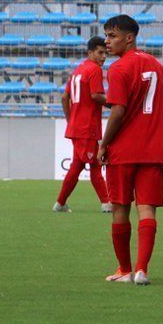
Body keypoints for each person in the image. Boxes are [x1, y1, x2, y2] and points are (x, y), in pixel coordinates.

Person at [98, 15, 163, 285]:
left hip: (123, 151)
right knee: (147, 210)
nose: (107, 41)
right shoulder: (156, 65)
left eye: (112, 35)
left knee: (120, 209)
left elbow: (118, 111)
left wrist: (104, 144)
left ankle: (124, 269)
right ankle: (142, 270)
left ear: (129, 37)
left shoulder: (119, 69)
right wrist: (157, 133)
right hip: (153, 151)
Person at [54, 36, 111, 213]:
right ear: (90, 53)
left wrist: (70, 120)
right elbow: (96, 96)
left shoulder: (79, 70)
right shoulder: (94, 70)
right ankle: (107, 203)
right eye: (100, 53)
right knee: (95, 164)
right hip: (87, 128)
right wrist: (114, 103)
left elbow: (64, 97)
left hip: (77, 127)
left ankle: (60, 203)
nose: (103, 57)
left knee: (77, 166)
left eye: (105, 53)